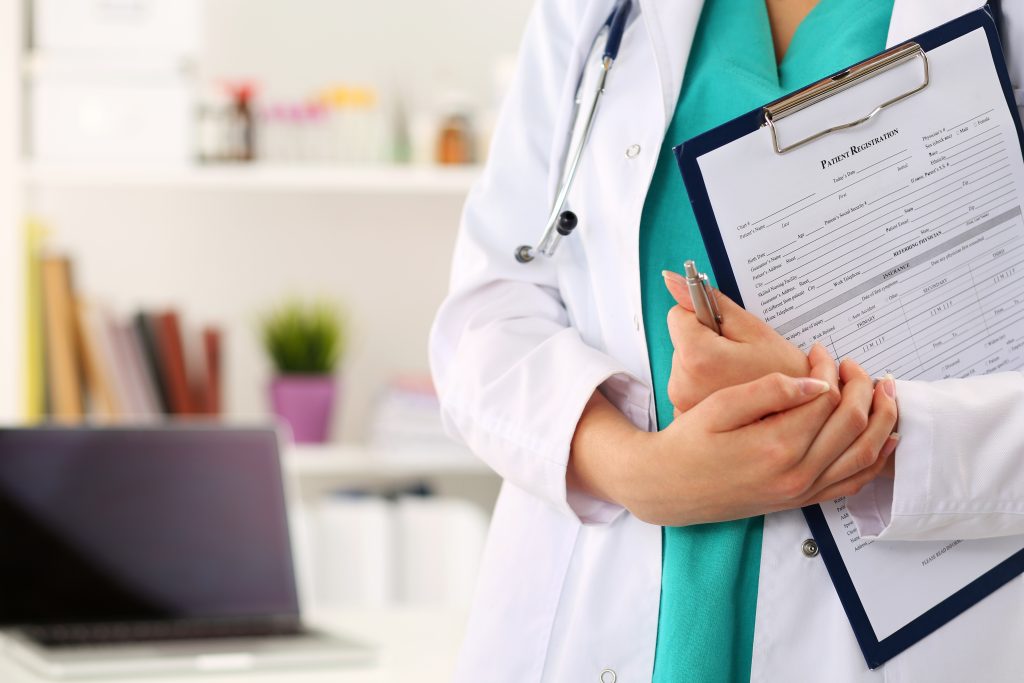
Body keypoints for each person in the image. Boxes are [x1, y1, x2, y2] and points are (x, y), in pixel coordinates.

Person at [429, 0, 1024, 681]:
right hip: (605, 594)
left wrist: (860, 426)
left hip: (915, 613)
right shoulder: (592, 14)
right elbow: (490, 309)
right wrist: (638, 473)